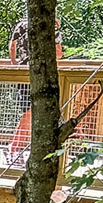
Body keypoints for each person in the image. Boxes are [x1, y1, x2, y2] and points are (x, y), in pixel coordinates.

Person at [5, 11, 63, 164]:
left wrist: (15, 63)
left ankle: (15, 148)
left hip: (25, 71)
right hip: (40, 73)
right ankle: (14, 148)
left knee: (29, 112)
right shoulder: (51, 27)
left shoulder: (22, 25)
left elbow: (12, 45)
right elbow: (59, 53)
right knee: (29, 112)